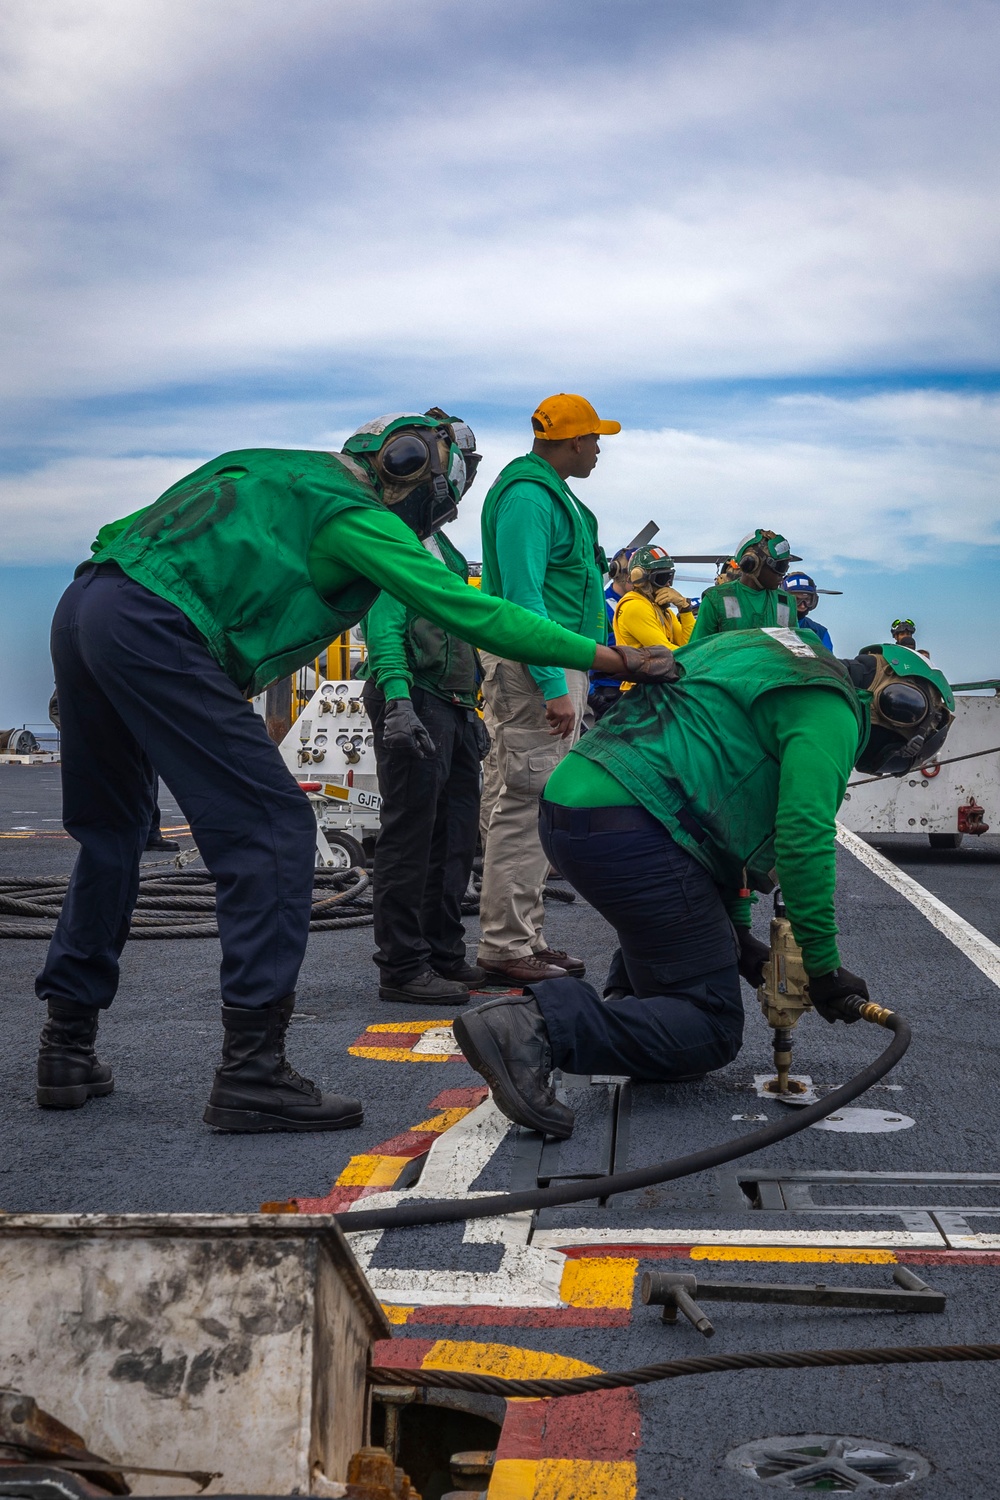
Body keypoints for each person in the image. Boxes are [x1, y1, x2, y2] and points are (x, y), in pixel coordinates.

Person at [34, 411, 677, 1132]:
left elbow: (134, 541)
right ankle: (252, 1073)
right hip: (157, 627)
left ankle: (66, 1046)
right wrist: (617, 659)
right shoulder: (357, 517)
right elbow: (476, 613)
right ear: (417, 472)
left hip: (87, 606)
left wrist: (110, 646)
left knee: (112, 837)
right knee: (273, 832)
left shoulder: (266, 464)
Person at [453, 630, 954, 1138]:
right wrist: (823, 969)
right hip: (635, 827)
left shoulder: (765, 649)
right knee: (710, 1028)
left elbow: (719, 807)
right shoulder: (832, 708)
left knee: (675, 1036)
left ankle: (629, 1008)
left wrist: (736, 935)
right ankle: (531, 1029)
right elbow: (804, 838)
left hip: (574, 809)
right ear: (902, 709)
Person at [476, 393, 616, 987]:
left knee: (535, 802)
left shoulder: (548, 494)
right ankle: (505, 945)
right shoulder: (530, 498)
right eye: (595, 439)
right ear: (573, 441)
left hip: (552, 663)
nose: (599, 448)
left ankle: (524, 937)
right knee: (525, 802)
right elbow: (523, 601)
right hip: (539, 667)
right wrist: (554, 683)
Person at [359, 412, 490, 1005]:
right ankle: (403, 966)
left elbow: (461, 628)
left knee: (455, 838)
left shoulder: (442, 547)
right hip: (413, 696)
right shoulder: (395, 539)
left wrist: (471, 706)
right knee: (411, 836)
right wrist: (397, 700)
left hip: (450, 703)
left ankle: (442, 952)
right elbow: (384, 625)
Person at [688, 530, 800, 643]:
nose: (782, 574)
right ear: (752, 564)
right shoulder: (716, 599)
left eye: (786, 567)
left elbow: (796, 647)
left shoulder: (786, 602)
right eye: (780, 567)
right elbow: (697, 648)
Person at [613, 547, 695, 679]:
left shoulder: (664, 611)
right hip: (641, 687)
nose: (668, 585)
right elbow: (666, 653)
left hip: (662, 683)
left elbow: (690, 644)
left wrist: (684, 608)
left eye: (669, 578)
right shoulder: (634, 607)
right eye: (662, 578)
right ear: (639, 579)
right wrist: (700, 657)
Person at [588, 547, 633, 721]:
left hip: (639, 689)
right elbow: (585, 647)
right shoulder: (600, 605)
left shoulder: (645, 606)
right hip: (610, 691)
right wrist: (592, 696)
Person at [784, 572, 834, 651]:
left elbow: (828, 658)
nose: (802, 606)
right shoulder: (768, 624)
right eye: (796, 599)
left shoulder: (820, 632)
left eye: (807, 599)